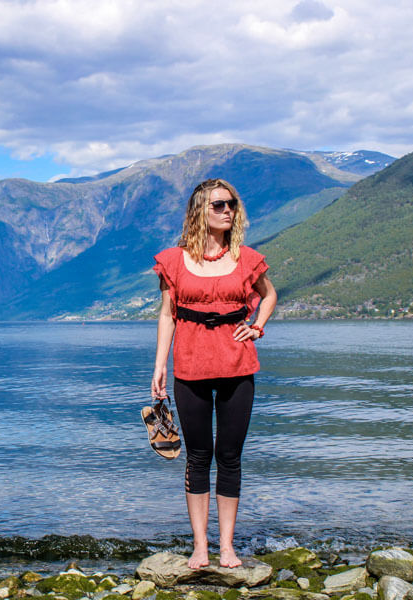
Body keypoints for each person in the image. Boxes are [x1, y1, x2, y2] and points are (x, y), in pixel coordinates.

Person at [151, 178, 277, 569]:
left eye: (232, 205)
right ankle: (200, 546)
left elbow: (270, 295)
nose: (228, 211)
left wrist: (257, 325)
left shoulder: (247, 258)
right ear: (199, 211)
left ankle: (227, 546)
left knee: (230, 456)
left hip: (238, 367)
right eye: (219, 205)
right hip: (189, 368)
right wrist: (159, 366)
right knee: (198, 456)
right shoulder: (173, 261)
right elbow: (168, 315)